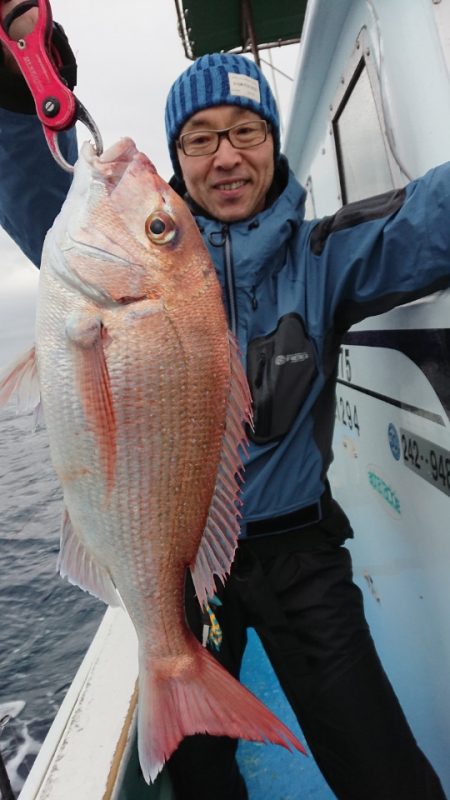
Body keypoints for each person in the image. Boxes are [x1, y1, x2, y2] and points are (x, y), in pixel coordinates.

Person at [0, 4, 448, 800]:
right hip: (179, 570)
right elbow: (35, 180)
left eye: (247, 131)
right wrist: (14, 89)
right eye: (201, 138)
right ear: (178, 158)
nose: (227, 156)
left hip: (300, 556)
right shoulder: (118, 246)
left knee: (385, 772)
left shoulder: (326, 255)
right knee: (198, 782)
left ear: (275, 146)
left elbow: (430, 223)